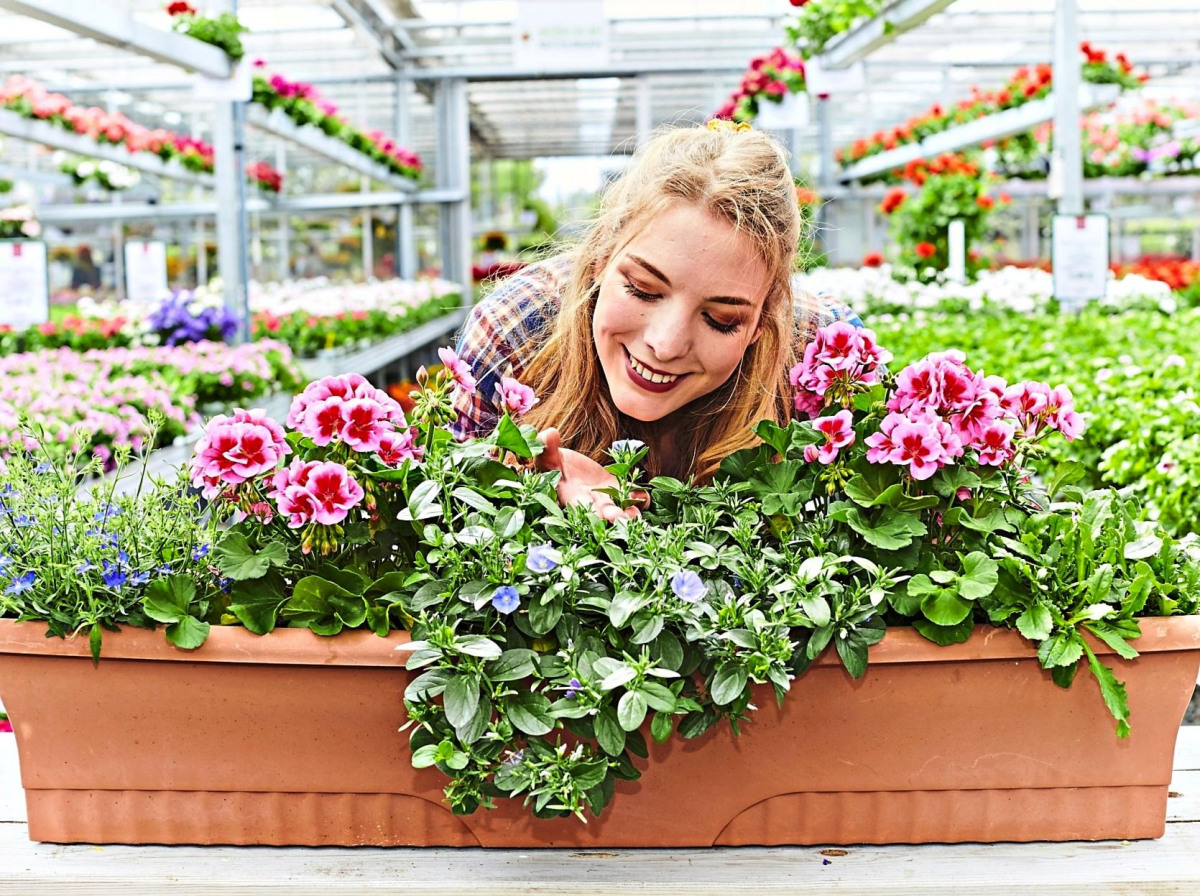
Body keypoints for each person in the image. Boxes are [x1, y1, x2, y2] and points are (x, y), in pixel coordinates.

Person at [452, 121, 861, 520]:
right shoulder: (516, 331)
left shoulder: (825, 356)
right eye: (643, 290)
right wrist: (523, 498)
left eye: (721, 319)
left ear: (763, 322)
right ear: (600, 258)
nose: (666, 345)